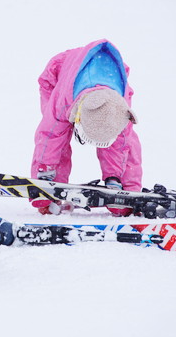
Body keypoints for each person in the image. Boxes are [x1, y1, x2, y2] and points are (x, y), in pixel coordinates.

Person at [31, 39, 142, 215]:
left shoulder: (121, 108)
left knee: (124, 140)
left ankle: (123, 183)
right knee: (57, 135)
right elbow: (49, 136)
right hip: (59, 80)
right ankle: (51, 179)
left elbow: (122, 145)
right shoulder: (62, 101)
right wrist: (45, 176)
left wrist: (117, 183)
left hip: (104, 87)